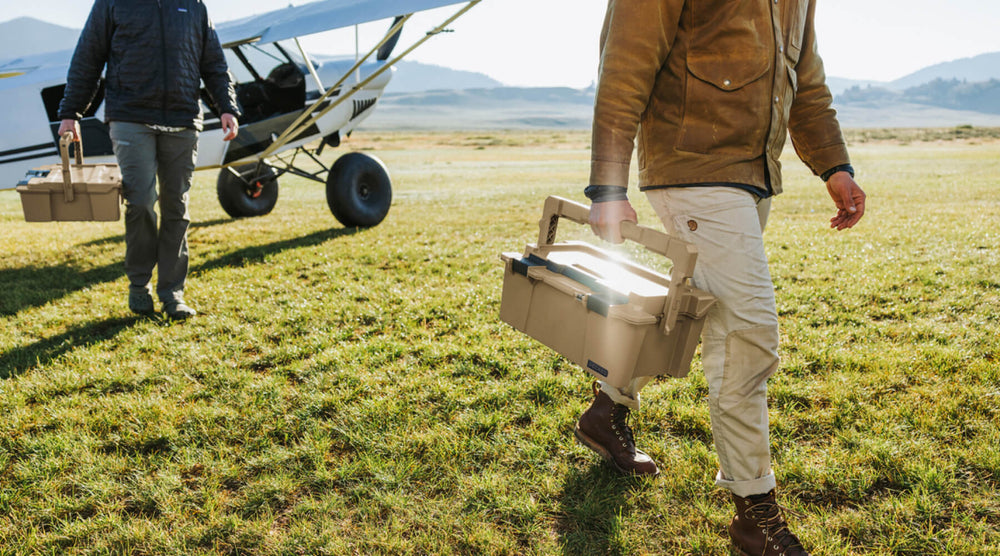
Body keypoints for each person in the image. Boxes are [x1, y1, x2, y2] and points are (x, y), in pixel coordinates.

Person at [576, 1, 866, 554]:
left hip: (749, 178)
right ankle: (756, 516)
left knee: (689, 309)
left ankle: (606, 410)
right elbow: (624, 65)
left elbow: (805, 82)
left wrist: (835, 166)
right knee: (747, 334)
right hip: (690, 171)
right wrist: (608, 186)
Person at [57, 0, 241, 319]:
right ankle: (139, 285)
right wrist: (71, 112)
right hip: (130, 116)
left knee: (176, 207)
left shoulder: (194, 6)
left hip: (183, 120)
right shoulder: (112, 3)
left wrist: (227, 106)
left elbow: (213, 62)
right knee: (140, 201)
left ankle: (173, 293)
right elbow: (88, 56)